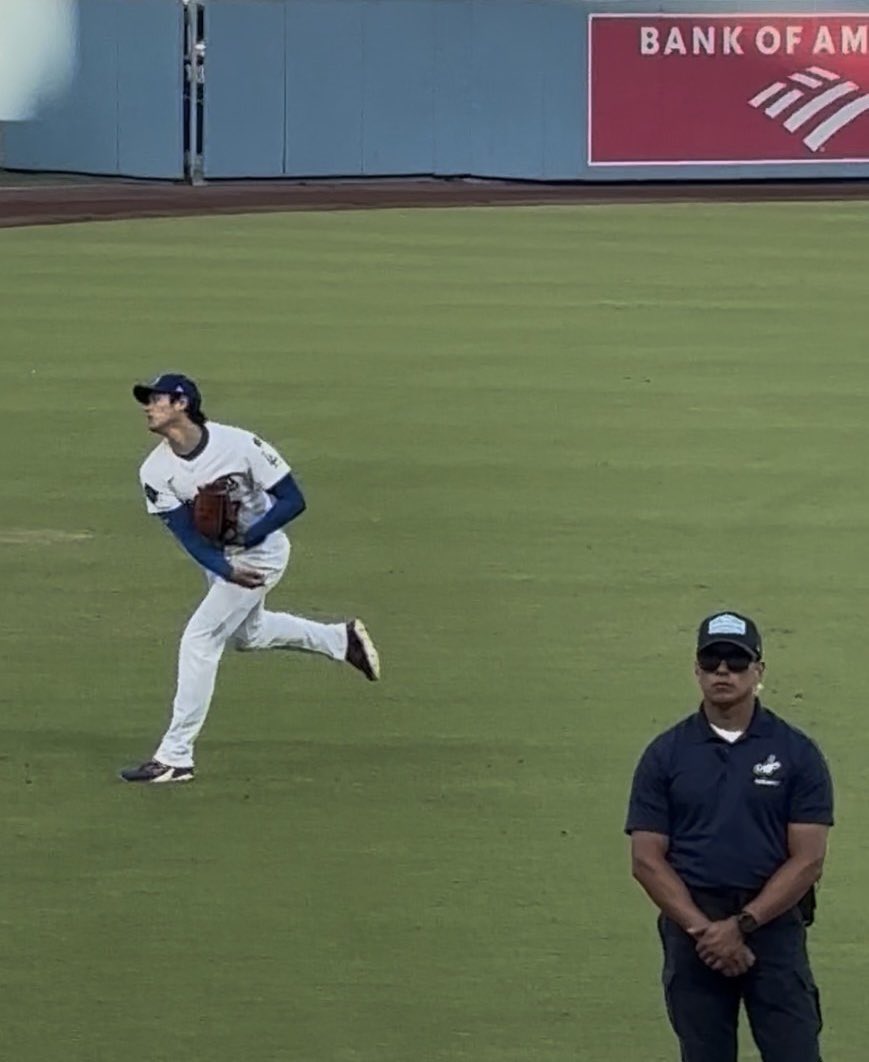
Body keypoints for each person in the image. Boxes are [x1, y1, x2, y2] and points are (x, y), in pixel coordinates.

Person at [120, 373, 380, 784]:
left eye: (156, 399)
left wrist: (250, 536)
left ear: (182, 403)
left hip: (262, 555)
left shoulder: (239, 445)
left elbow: (292, 499)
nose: (148, 408)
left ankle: (175, 756)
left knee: (200, 639)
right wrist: (225, 568)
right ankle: (339, 640)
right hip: (220, 562)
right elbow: (188, 536)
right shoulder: (155, 472)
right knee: (248, 635)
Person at [625, 611, 833, 1062]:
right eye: (712, 660)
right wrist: (706, 931)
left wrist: (742, 925)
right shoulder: (665, 755)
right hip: (693, 931)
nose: (723, 671)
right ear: (697, 670)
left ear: (758, 671)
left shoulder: (796, 753)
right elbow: (646, 859)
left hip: (772, 927)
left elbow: (808, 859)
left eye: (736, 662)